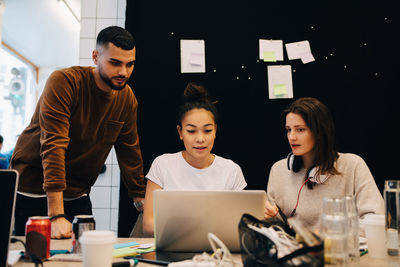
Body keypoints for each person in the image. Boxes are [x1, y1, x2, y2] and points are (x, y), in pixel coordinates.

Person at [10, 26, 145, 238]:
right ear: (95, 57)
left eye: (130, 64)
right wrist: (55, 215)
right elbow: (54, 144)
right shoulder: (65, 82)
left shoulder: (127, 99)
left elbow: (129, 150)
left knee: (82, 256)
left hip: (78, 193)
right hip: (34, 188)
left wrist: (140, 196)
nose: (123, 72)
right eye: (115, 63)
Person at [141, 82, 247, 236]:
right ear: (180, 132)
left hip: (216, 254)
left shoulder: (231, 170)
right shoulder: (163, 165)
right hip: (170, 253)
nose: (200, 139)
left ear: (215, 130)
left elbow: (241, 224)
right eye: (191, 131)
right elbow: (149, 225)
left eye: (207, 130)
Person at [265, 97, 384, 232]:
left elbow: (377, 219)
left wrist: (330, 232)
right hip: (296, 251)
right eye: (288, 129)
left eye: (300, 130)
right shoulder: (278, 170)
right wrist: (270, 218)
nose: (291, 137)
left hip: (341, 250)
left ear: (319, 132)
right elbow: (277, 228)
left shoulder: (352, 165)